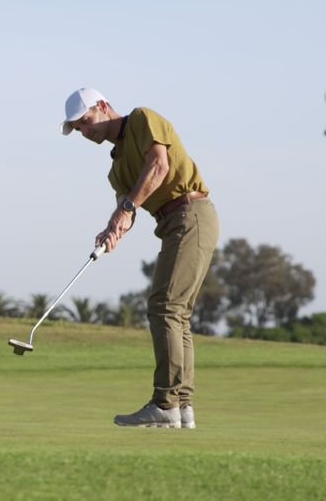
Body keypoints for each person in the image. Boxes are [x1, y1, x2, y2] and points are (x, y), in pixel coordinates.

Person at [60, 87, 219, 429]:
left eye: (86, 121)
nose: (85, 132)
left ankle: (165, 404)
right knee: (176, 314)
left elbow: (158, 166)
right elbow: (126, 210)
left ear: (103, 106)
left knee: (165, 308)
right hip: (172, 222)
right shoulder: (116, 169)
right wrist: (112, 230)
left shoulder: (143, 118)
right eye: (78, 129)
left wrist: (128, 207)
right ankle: (182, 407)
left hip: (191, 212)